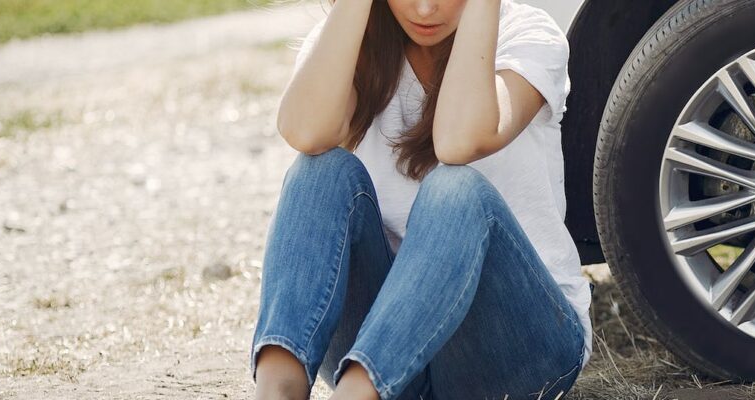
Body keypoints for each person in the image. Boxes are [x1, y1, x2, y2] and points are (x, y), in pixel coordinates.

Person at [246, 0, 590, 398]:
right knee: (319, 172)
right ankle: (277, 391)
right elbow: (304, 132)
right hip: (393, 352)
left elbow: (459, 141)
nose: (426, 9)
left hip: (518, 345)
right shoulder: (349, 42)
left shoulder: (528, 36)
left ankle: (358, 393)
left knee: (455, 190)